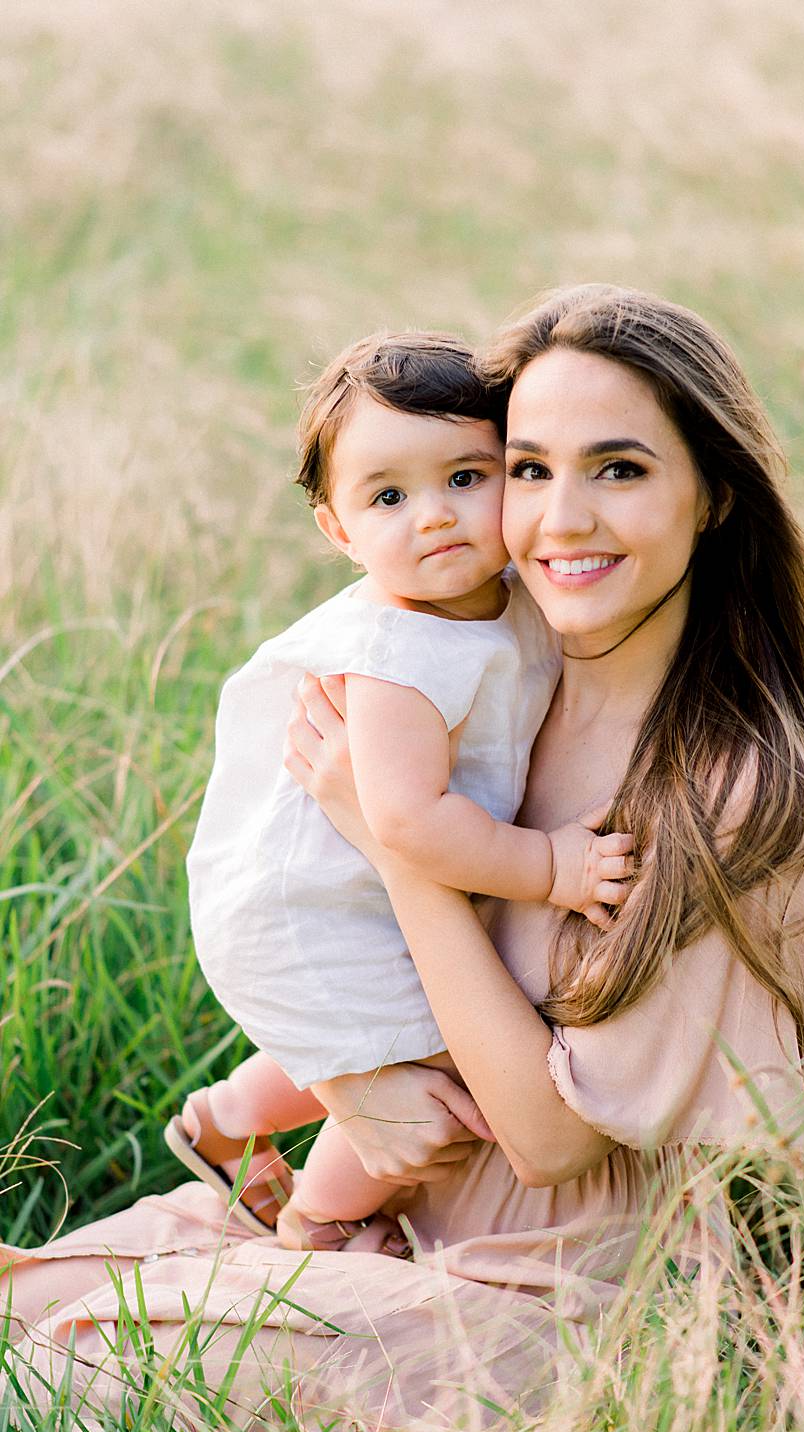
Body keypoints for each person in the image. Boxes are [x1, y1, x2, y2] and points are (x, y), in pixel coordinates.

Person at [0, 285, 804, 1432]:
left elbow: (554, 1141)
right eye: (524, 469)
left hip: (548, 1296)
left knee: (66, 1368)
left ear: (712, 494)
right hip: (404, 1209)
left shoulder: (729, 782)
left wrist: (392, 841)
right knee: (27, 1306)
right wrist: (347, 1074)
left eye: (618, 469)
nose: (560, 519)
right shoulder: (493, 680)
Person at [171, 331, 633, 1252]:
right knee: (436, 1050)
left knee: (374, 1028)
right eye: (389, 496)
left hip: (349, 885)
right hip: (308, 904)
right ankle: (322, 1213)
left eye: (468, 477)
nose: (435, 516)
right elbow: (408, 821)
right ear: (339, 529)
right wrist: (552, 868)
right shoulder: (397, 656)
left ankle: (222, 1121)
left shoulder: (506, 591)